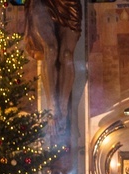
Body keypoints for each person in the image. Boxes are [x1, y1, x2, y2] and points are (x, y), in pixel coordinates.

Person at [24, 0, 82, 132]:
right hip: (41, 2)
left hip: (68, 4)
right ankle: (52, 107)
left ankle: (63, 107)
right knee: (50, 49)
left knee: (67, 55)